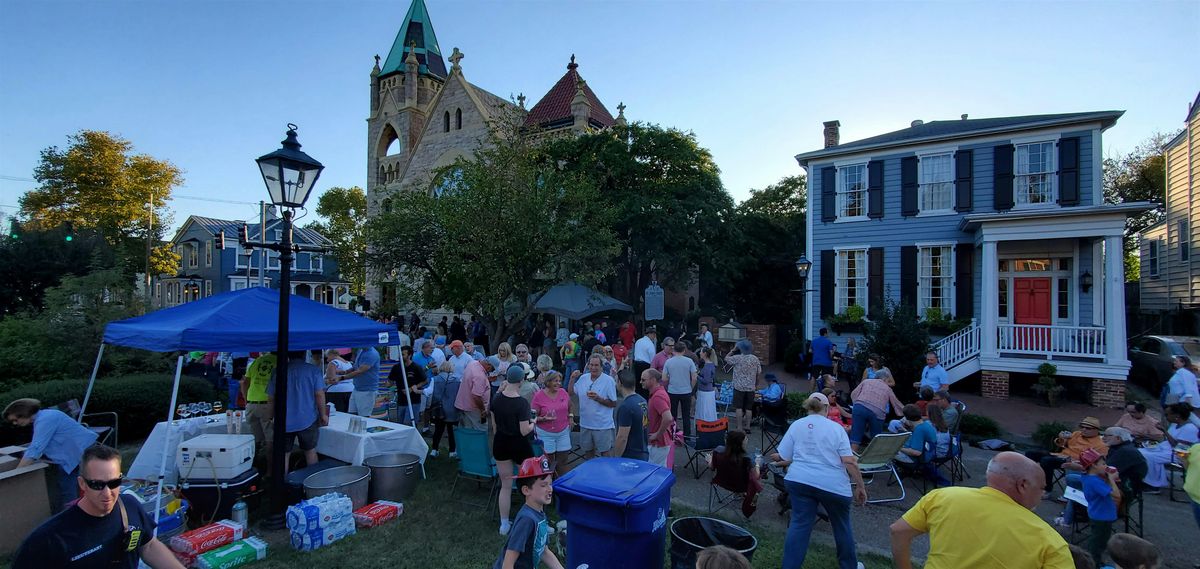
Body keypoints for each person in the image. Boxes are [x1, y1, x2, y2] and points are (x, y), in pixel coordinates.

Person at [11, 444, 184, 569]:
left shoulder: (129, 506)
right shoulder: (48, 539)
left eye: (114, 482)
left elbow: (148, 545)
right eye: (97, 485)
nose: (107, 493)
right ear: (82, 484)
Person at [889, 452, 1073, 569]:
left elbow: (898, 531)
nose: (1042, 494)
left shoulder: (942, 497)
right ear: (1023, 485)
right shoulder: (1051, 542)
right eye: (1042, 488)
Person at [770, 393, 867, 569]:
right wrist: (860, 486)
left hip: (799, 480)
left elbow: (783, 455)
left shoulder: (797, 425)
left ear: (807, 407)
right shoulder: (836, 429)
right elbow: (849, 461)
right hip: (833, 485)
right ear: (827, 408)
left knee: (799, 525)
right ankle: (850, 566)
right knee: (841, 526)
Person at [4, 398, 98, 512]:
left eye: (15, 420)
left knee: (75, 491)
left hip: (84, 455)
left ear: (22, 412)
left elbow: (36, 448)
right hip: (73, 458)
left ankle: (72, 518)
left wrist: (16, 473)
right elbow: (40, 444)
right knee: (68, 490)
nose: (15, 423)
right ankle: (72, 515)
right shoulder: (43, 418)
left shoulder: (45, 420)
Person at [490, 455, 564, 569]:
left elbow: (544, 551)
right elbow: (508, 563)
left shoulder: (539, 513)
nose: (550, 489)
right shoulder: (527, 520)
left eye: (550, 483)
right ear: (526, 490)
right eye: (544, 485)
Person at [492, 365, 536, 535]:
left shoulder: (496, 399)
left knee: (505, 485)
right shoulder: (521, 403)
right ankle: (533, 519)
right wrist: (534, 422)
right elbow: (524, 430)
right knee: (530, 484)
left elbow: (495, 424)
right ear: (521, 380)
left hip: (501, 443)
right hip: (519, 445)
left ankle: (504, 524)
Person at [267, 351, 328, 472]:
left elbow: (271, 397)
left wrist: (270, 416)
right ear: (304, 354)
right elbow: (319, 394)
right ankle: (312, 483)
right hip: (307, 418)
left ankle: (282, 484)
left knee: (284, 454)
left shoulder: (278, 371)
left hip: (283, 419)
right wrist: (323, 414)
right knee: (310, 450)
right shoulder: (313, 370)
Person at [1024, 416, 1108, 497]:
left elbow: (1097, 462)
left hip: (1074, 462)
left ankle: (1047, 489)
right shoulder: (1077, 434)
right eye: (1082, 427)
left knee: (1046, 461)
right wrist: (1062, 438)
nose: (1084, 429)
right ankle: (1028, 481)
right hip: (1061, 455)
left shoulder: (1100, 445)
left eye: (1088, 428)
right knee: (1031, 453)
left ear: (1096, 430)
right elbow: (1062, 445)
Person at [1139, 403, 1198, 489]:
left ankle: (1154, 485)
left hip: (1180, 454)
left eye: (1167, 415)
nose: (1166, 417)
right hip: (1167, 449)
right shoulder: (1174, 425)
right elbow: (1167, 440)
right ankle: (1146, 479)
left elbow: (1179, 446)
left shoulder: (1190, 428)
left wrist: (1164, 430)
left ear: (1177, 416)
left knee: (1149, 456)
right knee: (1140, 451)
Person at [572, 355, 618, 459]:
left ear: (601, 367)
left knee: (606, 456)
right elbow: (571, 392)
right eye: (591, 365)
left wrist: (598, 399)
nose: (593, 367)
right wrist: (572, 378)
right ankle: (591, 475)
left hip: (603, 426)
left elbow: (614, 403)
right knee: (588, 455)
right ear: (588, 365)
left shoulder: (608, 380)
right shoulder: (583, 378)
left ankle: (606, 475)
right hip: (585, 424)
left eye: (596, 365)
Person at [848, 369, 904, 451]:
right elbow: (896, 402)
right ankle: (873, 457)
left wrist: (857, 404)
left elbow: (853, 394)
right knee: (876, 436)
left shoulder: (866, 381)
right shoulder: (887, 388)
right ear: (885, 379)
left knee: (856, 433)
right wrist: (904, 412)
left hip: (859, 407)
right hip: (877, 412)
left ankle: (851, 457)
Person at [532, 371, 571, 475]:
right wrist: (543, 418)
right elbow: (532, 417)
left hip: (563, 432)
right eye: (555, 381)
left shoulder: (563, 392)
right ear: (548, 382)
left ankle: (562, 487)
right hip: (546, 434)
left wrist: (570, 418)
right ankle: (548, 486)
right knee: (548, 462)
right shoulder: (538, 396)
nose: (558, 383)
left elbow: (570, 407)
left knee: (563, 461)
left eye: (559, 381)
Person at [242, 351, 276, 456]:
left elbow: (244, 382)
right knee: (270, 439)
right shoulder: (281, 361)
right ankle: (270, 470)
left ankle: (254, 465)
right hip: (268, 404)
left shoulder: (257, 361)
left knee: (254, 438)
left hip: (251, 403)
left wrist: (246, 400)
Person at [725, 339, 762, 434]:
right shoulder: (755, 359)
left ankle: (740, 427)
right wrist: (756, 385)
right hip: (751, 388)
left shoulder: (737, 358)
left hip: (739, 387)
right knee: (749, 408)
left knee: (739, 408)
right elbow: (759, 373)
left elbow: (726, 358)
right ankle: (748, 426)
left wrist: (733, 349)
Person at [663, 340, 698, 438]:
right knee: (686, 414)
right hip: (686, 390)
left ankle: (672, 434)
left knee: (673, 414)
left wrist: (671, 379)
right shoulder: (689, 361)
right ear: (684, 350)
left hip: (673, 390)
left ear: (674, 349)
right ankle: (687, 435)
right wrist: (691, 387)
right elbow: (694, 377)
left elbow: (664, 378)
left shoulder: (669, 362)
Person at [613, 373, 649, 462]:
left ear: (620, 383)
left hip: (630, 456)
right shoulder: (642, 400)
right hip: (643, 452)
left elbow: (622, 437)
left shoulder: (626, 406)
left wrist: (615, 458)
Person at [641, 369, 674, 466]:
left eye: (643, 380)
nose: (641, 382)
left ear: (653, 380)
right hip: (659, 443)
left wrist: (657, 434)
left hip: (658, 444)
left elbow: (668, 417)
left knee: (653, 474)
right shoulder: (658, 393)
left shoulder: (657, 397)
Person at [338, 346, 381, 417]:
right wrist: (345, 372)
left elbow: (359, 371)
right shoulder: (361, 350)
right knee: (352, 415)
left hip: (367, 391)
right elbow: (356, 366)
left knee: (364, 417)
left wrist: (341, 378)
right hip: (357, 388)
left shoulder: (372, 354)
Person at [390, 345, 427, 426]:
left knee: (410, 423)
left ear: (409, 355)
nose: (401, 356)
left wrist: (413, 388)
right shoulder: (396, 367)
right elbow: (390, 380)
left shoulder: (416, 367)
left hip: (414, 400)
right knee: (400, 423)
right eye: (400, 354)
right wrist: (388, 384)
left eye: (403, 354)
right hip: (401, 400)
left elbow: (425, 381)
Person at [429, 361, 460, 458]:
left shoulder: (434, 379)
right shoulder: (457, 380)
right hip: (452, 409)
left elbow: (429, 392)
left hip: (439, 409)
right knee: (452, 432)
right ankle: (452, 452)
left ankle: (434, 450)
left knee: (438, 430)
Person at [456, 358, 494, 430]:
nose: (491, 371)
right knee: (480, 431)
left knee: (467, 430)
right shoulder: (480, 376)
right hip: (474, 409)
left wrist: (486, 379)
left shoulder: (472, 363)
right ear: (489, 365)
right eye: (492, 369)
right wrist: (482, 410)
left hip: (464, 405)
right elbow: (476, 396)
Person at [695, 347, 719, 422]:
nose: (700, 353)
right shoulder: (710, 364)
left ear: (705, 354)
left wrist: (697, 376)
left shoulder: (707, 366)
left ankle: (705, 424)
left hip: (705, 392)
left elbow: (706, 380)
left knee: (704, 410)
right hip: (706, 391)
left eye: (701, 352)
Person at [633, 326, 657, 398]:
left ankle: (637, 399)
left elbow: (635, 353)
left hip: (637, 364)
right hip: (645, 365)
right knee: (646, 384)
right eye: (653, 334)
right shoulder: (650, 344)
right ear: (649, 334)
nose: (654, 336)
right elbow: (653, 358)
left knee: (638, 383)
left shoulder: (638, 341)